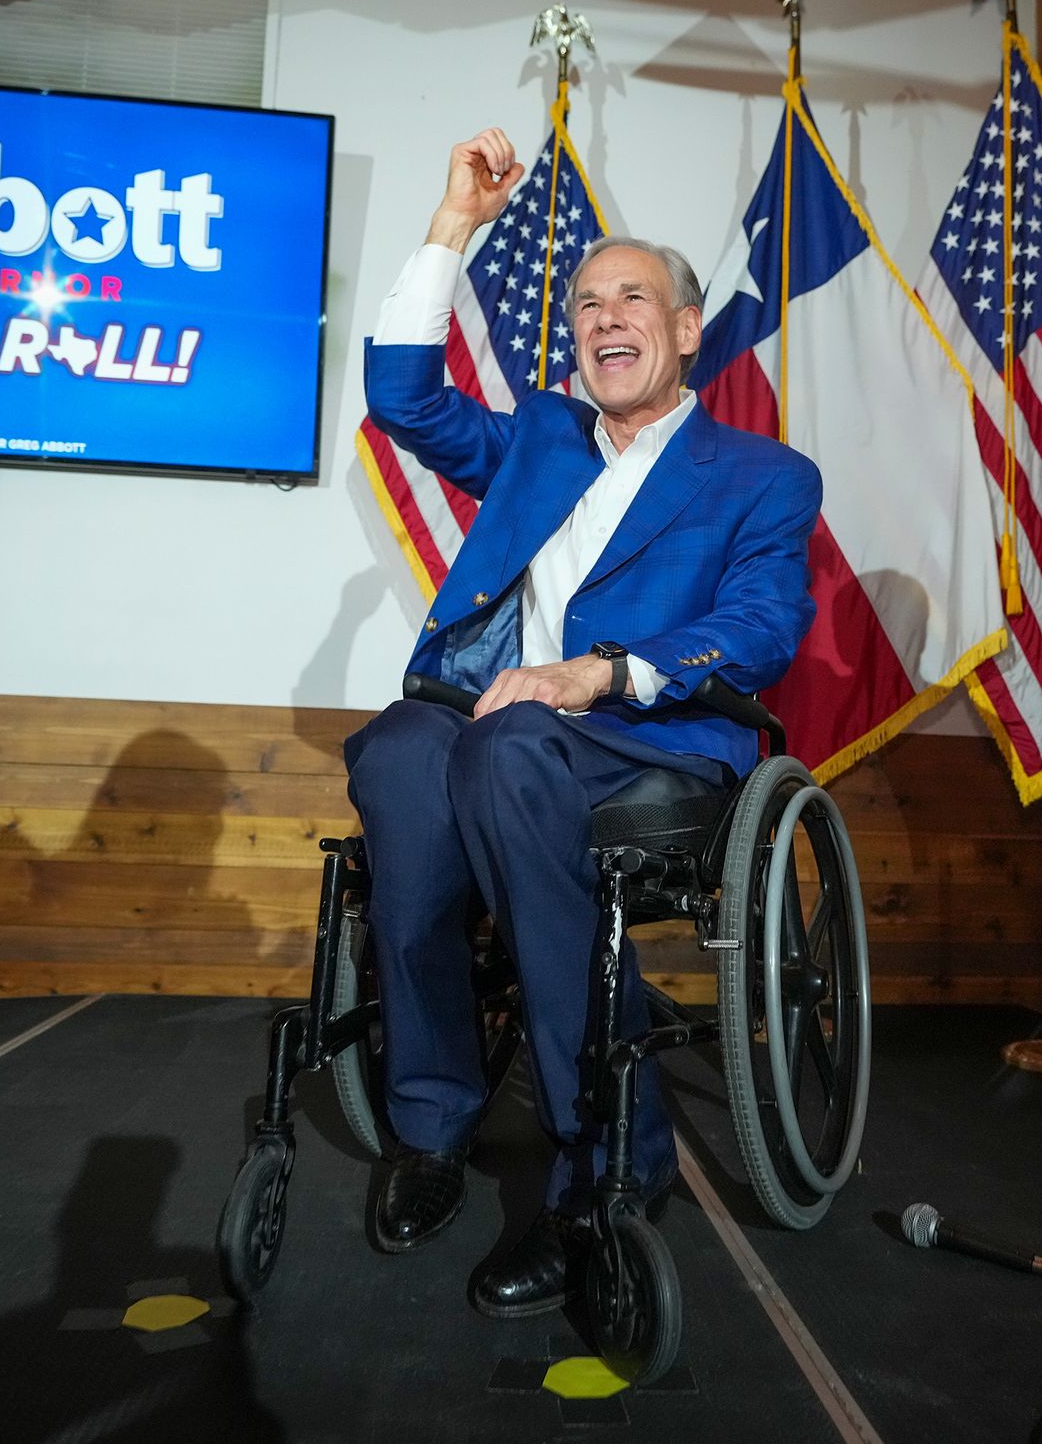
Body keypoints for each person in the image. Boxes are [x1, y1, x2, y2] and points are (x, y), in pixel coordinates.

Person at [347, 126, 821, 1316]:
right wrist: (452, 223)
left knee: (505, 742)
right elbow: (400, 396)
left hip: (646, 743)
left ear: (685, 330)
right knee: (401, 752)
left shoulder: (762, 476)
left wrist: (598, 674)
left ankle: (603, 1168)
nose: (606, 318)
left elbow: (762, 627)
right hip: (498, 730)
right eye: (587, 305)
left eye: (633, 298)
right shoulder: (537, 442)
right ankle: (431, 1121)